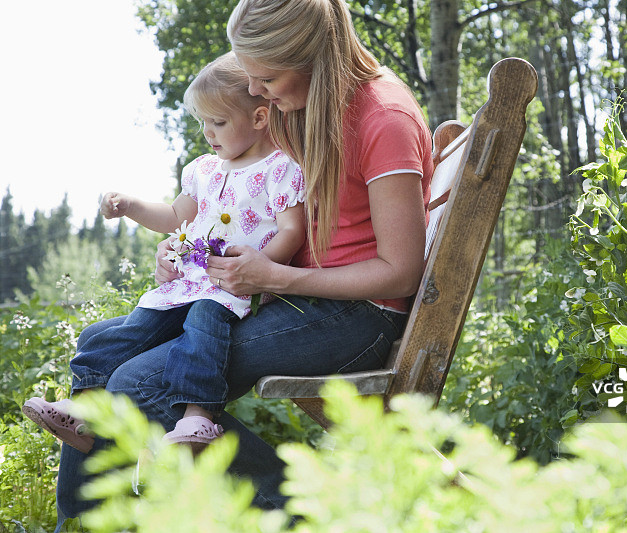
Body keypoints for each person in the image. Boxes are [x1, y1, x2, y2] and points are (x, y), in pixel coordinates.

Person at [53, 0, 433, 527]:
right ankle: (77, 523)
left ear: (312, 59)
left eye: (267, 77)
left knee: (139, 384)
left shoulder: (382, 118)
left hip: (357, 312)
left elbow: (401, 271)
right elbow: (236, 199)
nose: (257, 91)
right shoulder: (314, 103)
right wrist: (187, 246)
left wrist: (278, 276)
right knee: (105, 349)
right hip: (304, 295)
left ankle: (311, 512)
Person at [23, 51, 306, 454]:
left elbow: (292, 230)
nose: (209, 132)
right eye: (203, 122)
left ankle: (198, 417)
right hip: (185, 284)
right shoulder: (205, 170)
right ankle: (83, 411)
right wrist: (131, 205)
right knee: (133, 328)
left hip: (232, 284)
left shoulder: (281, 169)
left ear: (260, 118)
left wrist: (260, 269)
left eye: (219, 122)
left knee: (203, 332)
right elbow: (174, 216)